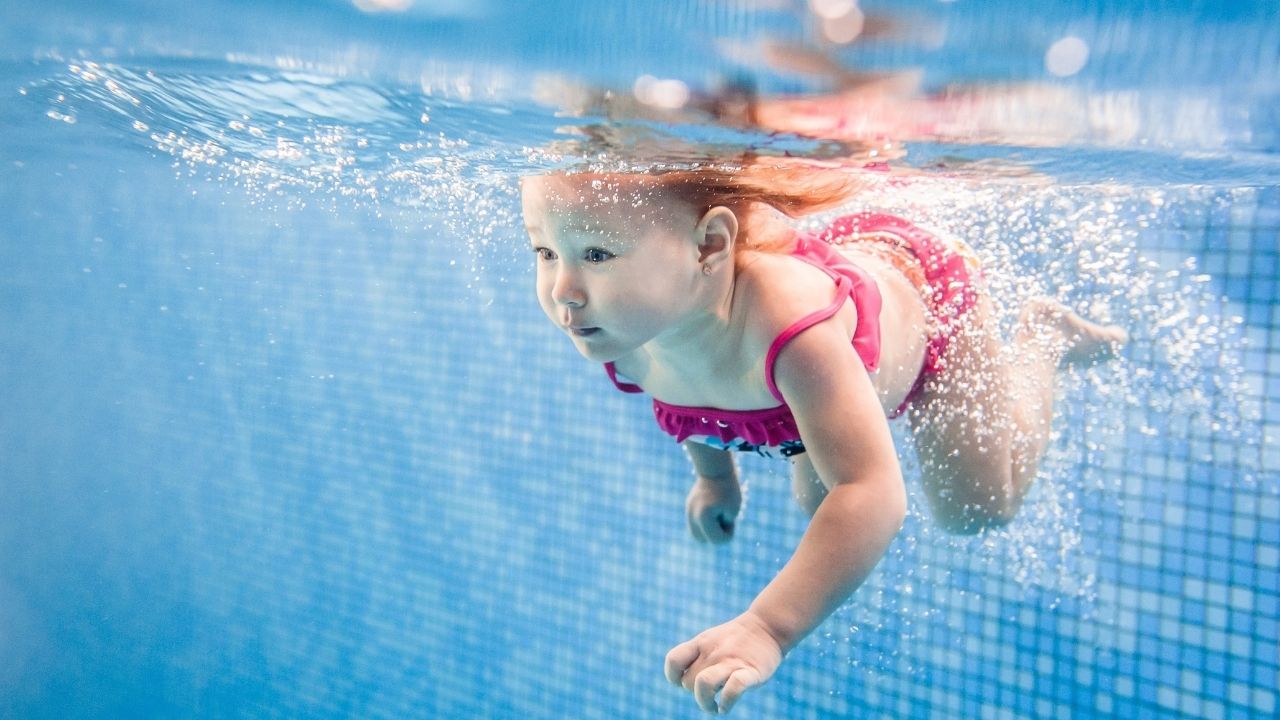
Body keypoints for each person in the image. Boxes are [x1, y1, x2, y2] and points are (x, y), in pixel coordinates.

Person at [520, 161, 1126, 715]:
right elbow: (687, 397)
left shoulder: (790, 332)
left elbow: (873, 494)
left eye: (596, 254)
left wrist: (767, 628)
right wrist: (714, 479)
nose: (563, 291)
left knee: (973, 508)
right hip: (833, 336)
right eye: (545, 251)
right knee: (817, 504)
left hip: (929, 303)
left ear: (708, 245)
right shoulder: (627, 331)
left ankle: (1044, 342)